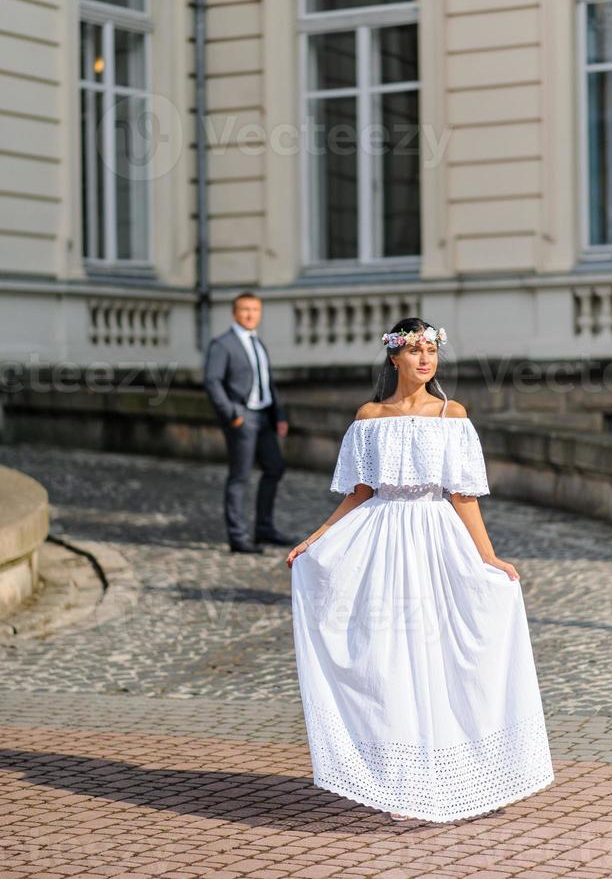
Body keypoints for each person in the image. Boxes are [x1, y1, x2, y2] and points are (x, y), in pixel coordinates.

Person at [287, 317, 555, 823]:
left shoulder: (452, 414)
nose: (424, 358)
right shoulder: (368, 416)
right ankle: (397, 774)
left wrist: (488, 557)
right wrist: (316, 539)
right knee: (388, 656)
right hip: (380, 544)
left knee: (449, 654)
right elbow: (359, 492)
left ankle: (475, 770)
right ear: (394, 358)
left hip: (438, 541)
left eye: (431, 349)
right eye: (413, 350)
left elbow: (463, 494)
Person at [204, 291, 295, 554]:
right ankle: (238, 536)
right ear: (234, 313)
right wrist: (233, 414)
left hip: (265, 416)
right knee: (240, 476)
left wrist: (279, 415)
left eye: (255, 310)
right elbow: (212, 382)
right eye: (245, 310)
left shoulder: (257, 342)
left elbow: (267, 382)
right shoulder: (222, 344)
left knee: (275, 468)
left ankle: (264, 528)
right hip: (242, 417)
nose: (250, 314)